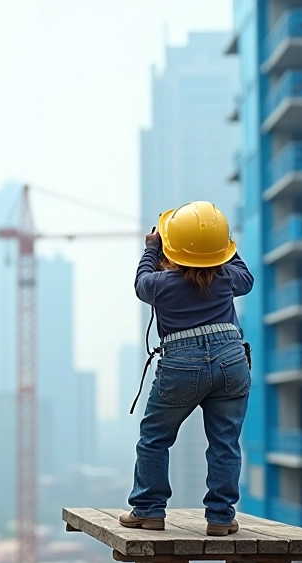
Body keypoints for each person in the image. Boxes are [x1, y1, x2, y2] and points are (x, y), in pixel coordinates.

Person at [120, 200, 254, 536]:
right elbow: (246, 277)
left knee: (155, 438)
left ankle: (149, 511)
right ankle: (221, 519)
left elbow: (141, 282)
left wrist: (152, 248)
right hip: (231, 358)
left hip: (182, 363)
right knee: (225, 442)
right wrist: (222, 247)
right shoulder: (228, 278)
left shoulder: (160, 285)